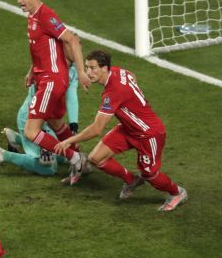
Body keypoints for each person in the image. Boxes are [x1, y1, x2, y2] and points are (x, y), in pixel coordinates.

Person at [54, 50, 188, 212]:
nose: (88, 72)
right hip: (128, 128)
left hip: (149, 133)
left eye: (93, 68)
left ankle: (177, 192)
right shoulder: (117, 71)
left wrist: (68, 141)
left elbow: (96, 129)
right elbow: (132, 75)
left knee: (149, 173)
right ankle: (131, 180)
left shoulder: (113, 93)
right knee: (96, 158)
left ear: (104, 69)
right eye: (87, 67)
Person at [15, 0, 90, 182]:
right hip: (45, 77)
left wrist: (82, 72)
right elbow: (41, 47)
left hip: (51, 80)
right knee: (56, 124)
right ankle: (80, 157)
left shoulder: (46, 15)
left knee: (31, 131)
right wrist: (32, 70)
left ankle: (75, 158)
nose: (19, 0)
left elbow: (72, 40)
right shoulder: (32, 16)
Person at [0, 67, 79, 176]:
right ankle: (1, 154)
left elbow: (72, 96)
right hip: (32, 120)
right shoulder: (50, 65)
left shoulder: (72, 67)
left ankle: (15, 138)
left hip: (43, 120)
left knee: (62, 155)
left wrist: (73, 126)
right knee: (49, 168)